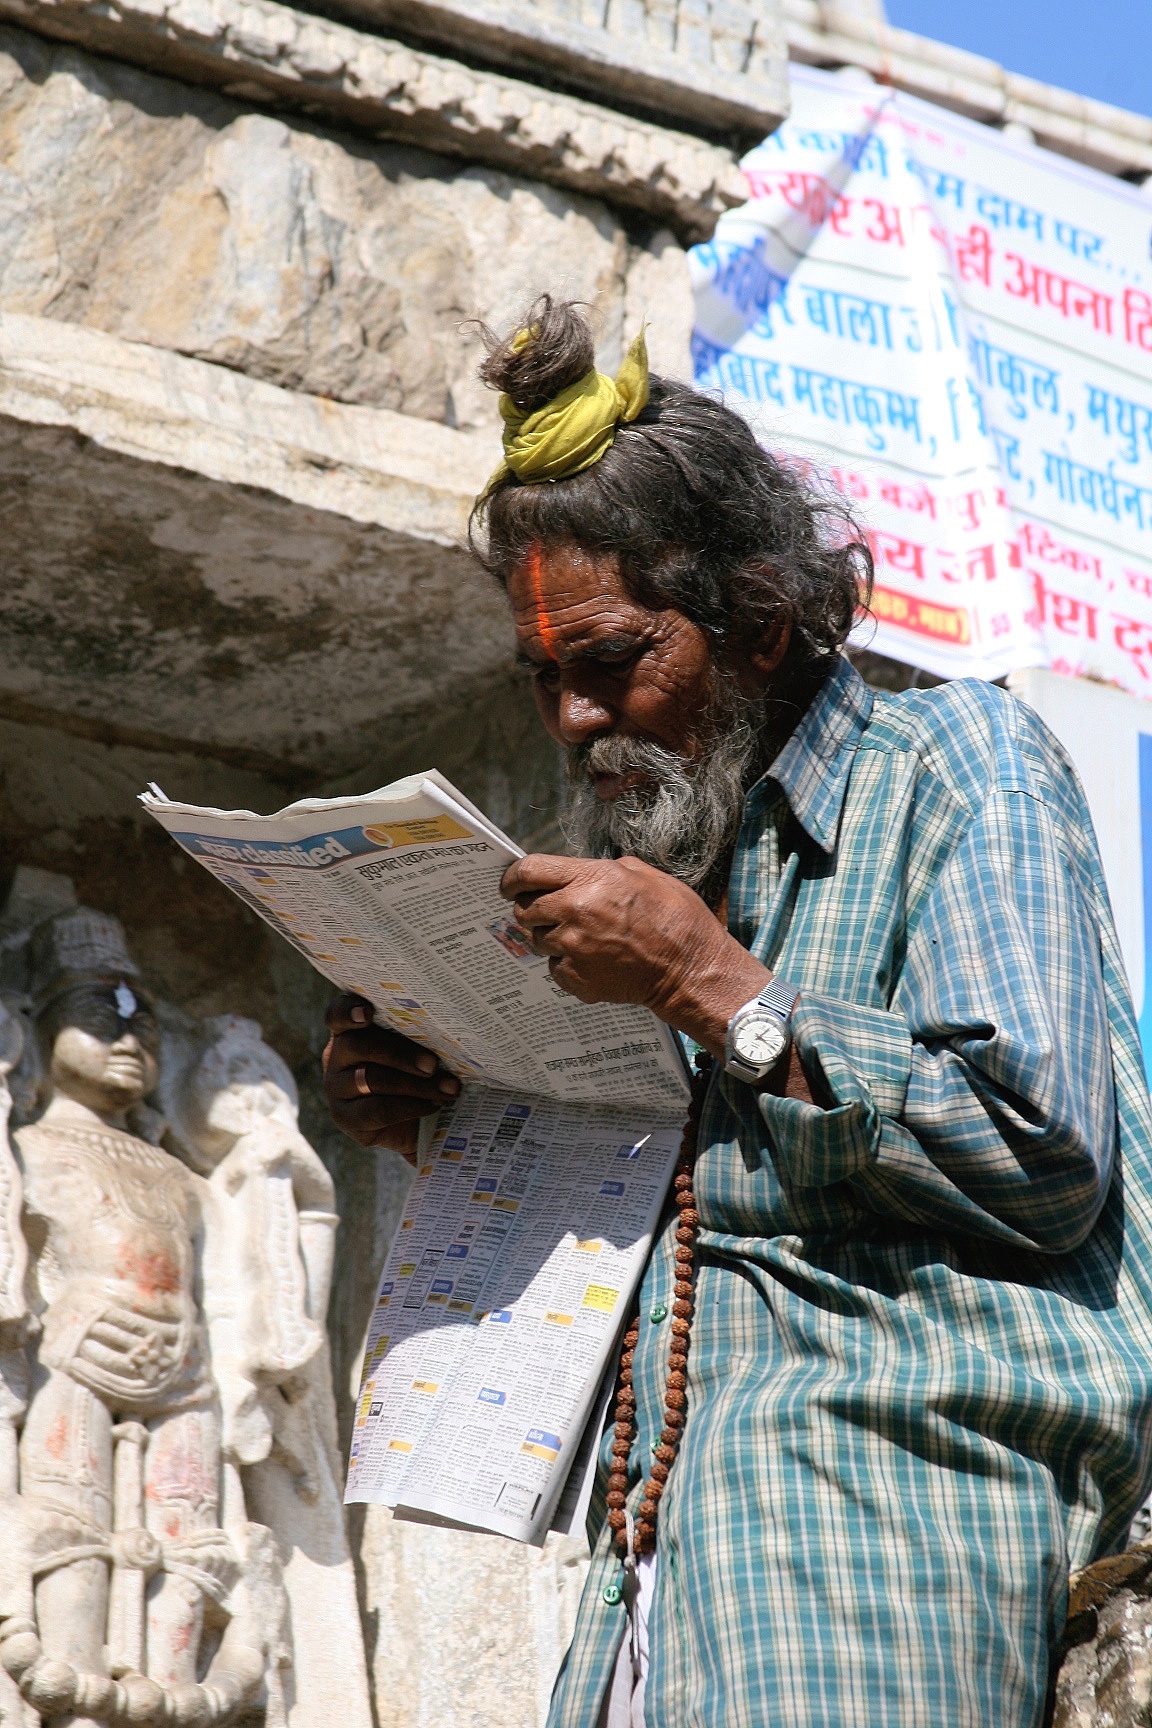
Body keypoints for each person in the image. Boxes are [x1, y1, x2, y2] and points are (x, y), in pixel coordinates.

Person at [322, 296, 1152, 1728]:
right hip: (649, 1596)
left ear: (759, 622)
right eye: (544, 682)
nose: (577, 722)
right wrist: (454, 1124)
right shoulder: (668, 876)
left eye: (612, 662)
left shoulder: (958, 763)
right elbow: (688, 1264)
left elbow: (1040, 1151)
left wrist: (714, 984)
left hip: (878, 1557)